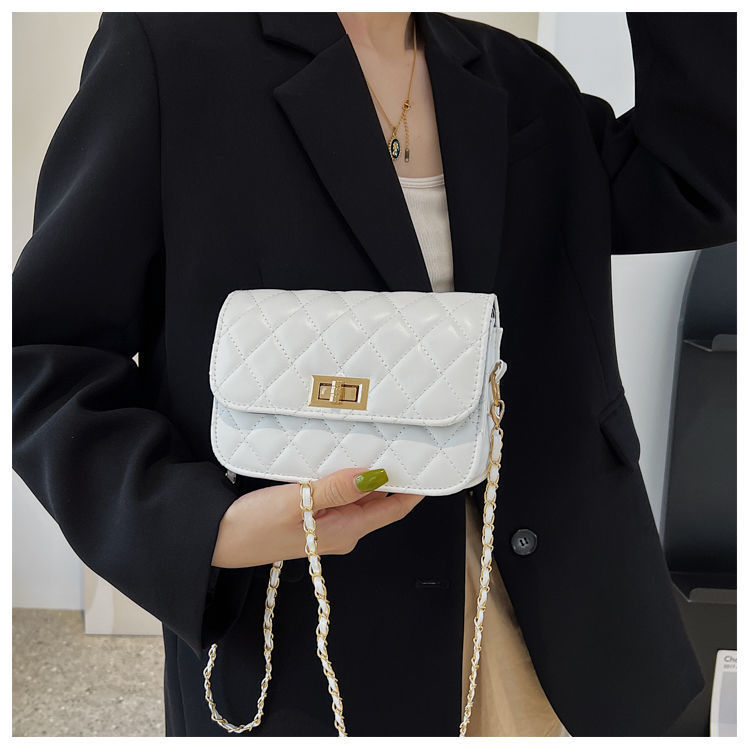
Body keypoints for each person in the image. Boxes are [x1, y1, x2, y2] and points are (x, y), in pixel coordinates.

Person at [12, 11, 735, 737]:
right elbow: (47, 354)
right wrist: (204, 528)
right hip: (313, 642)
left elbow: (705, 175)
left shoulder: (521, 78)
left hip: (567, 639)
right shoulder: (172, 50)